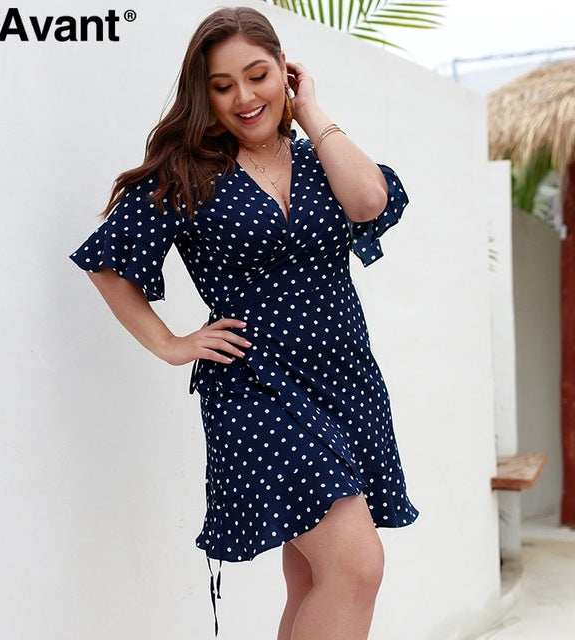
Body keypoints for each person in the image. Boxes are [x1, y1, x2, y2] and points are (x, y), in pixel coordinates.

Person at [70, 6, 418, 639]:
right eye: (222, 85)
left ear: (284, 71)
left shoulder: (321, 160)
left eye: (257, 76)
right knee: (357, 568)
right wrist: (170, 343)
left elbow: (370, 201)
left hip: (345, 381)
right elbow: (108, 264)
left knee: (314, 579)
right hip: (255, 386)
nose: (244, 97)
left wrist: (310, 110)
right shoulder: (188, 173)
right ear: (203, 96)